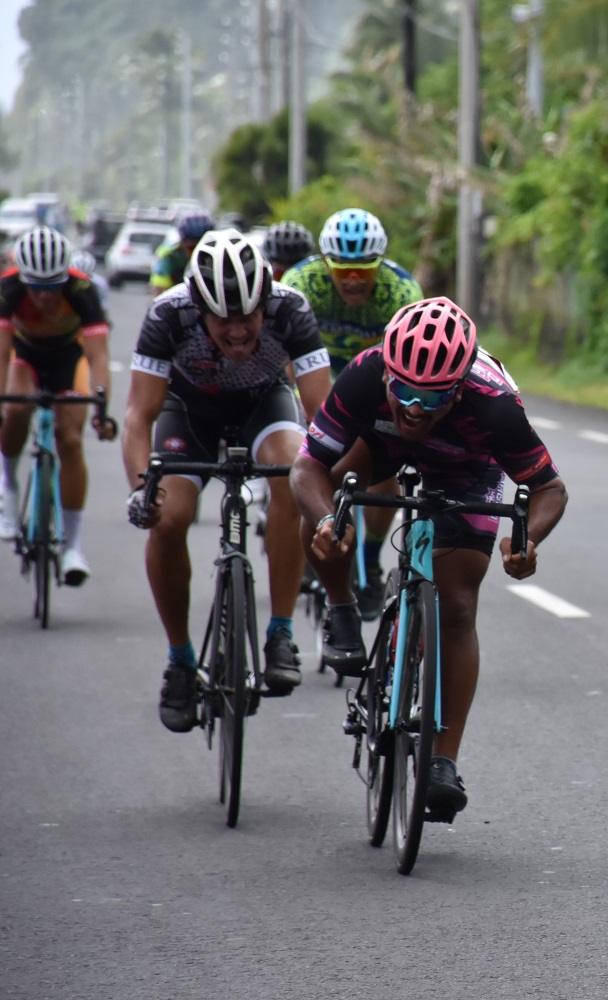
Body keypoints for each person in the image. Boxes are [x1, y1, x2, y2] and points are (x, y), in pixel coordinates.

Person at [291, 297, 568, 818]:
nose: (415, 408)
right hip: (383, 445)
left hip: (468, 467)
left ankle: (443, 761)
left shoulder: (493, 403)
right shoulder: (365, 373)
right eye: (404, 391)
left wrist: (527, 540)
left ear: (459, 388)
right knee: (327, 500)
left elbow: (550, 489)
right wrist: (328, 520)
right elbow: (307, 468)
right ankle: (342, 608)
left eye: (433, 395)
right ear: (387, 374)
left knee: (458, 605)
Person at [123, 231, 332, 732]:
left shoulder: (290, 309)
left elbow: (324, 413)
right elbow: (138, 415)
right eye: (223, 320)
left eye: (248, 318)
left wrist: (330, 482)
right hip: (189, 410)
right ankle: (179, 661)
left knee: (293, 476)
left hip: (265, 403)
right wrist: (141, 490)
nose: (237, 332)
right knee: (167, 518)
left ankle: (280, 633)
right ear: (199, 310)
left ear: (265, 303)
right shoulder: (168, 314)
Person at [281, 208, 423, 618]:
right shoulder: (300, 285)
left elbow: (410, 363)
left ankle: (372, 560)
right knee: (306, 458)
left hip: (374, 381)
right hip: (315, 376)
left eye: (365, 269)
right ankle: (319, 526)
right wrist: (310, 410)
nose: (355, 279)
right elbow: (286, 357)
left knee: (385, 465)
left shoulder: (401, 293)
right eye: (344, 270)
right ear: (327, 264)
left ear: (381, 264)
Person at [0, 227, 116, 583]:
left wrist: (101, 408)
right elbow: (2, 354)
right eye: (36, 287)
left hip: (69, 357)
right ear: (23, 278)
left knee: (70, 440)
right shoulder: (8, 289)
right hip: (25, 355)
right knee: (15, 410)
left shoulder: (83, 291)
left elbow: (98, 357)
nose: (44, 295)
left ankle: (72, 547)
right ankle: (8, 486)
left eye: (52, 286)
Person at [149, 211, 215, 298]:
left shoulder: (219, 255)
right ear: (182, 243)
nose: (196, 252)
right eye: (191, 247)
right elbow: (159, 287)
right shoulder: (170, 255)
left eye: (201, 247)